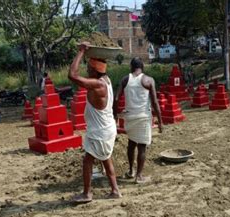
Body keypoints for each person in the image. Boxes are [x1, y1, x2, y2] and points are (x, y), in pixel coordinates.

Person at [68, 42, 121, 203]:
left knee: (88, 161)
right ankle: (115, 190)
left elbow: (72, 75)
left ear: (94, 70)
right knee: (106, 159)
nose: (87, 71)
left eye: (89, 69)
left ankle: (87, 193)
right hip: (105, 128)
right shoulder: (106, 80)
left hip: (100, 131)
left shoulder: (98, 84)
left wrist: (81, 51)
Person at [115, 57, 163, 183]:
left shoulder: (125, 79)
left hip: (129, 117)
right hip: (143, 118)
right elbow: (155, 102)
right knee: (142, 147)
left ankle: (131, 171)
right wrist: (160, 122)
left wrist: (115, 114)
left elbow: (116, 98)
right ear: (142, 67)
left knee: (131, 144)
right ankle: (139, 176)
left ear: (131, 67)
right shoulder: (148, 80)